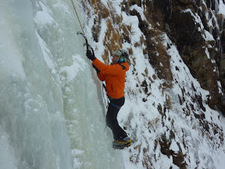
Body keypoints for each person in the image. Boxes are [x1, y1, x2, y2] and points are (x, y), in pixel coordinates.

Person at [86, 48, 132, 147]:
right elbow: (103, 77)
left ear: (121, 58)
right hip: (115, 99)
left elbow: (106, 69)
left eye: (116, 55)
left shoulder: (120, 68)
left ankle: (124, 138)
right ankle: (119, 139)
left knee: (110, 120)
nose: (113, 56)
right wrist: (98, 69)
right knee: (111, 120)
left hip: (117, 100)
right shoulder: (114, 67)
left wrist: (93, 59)